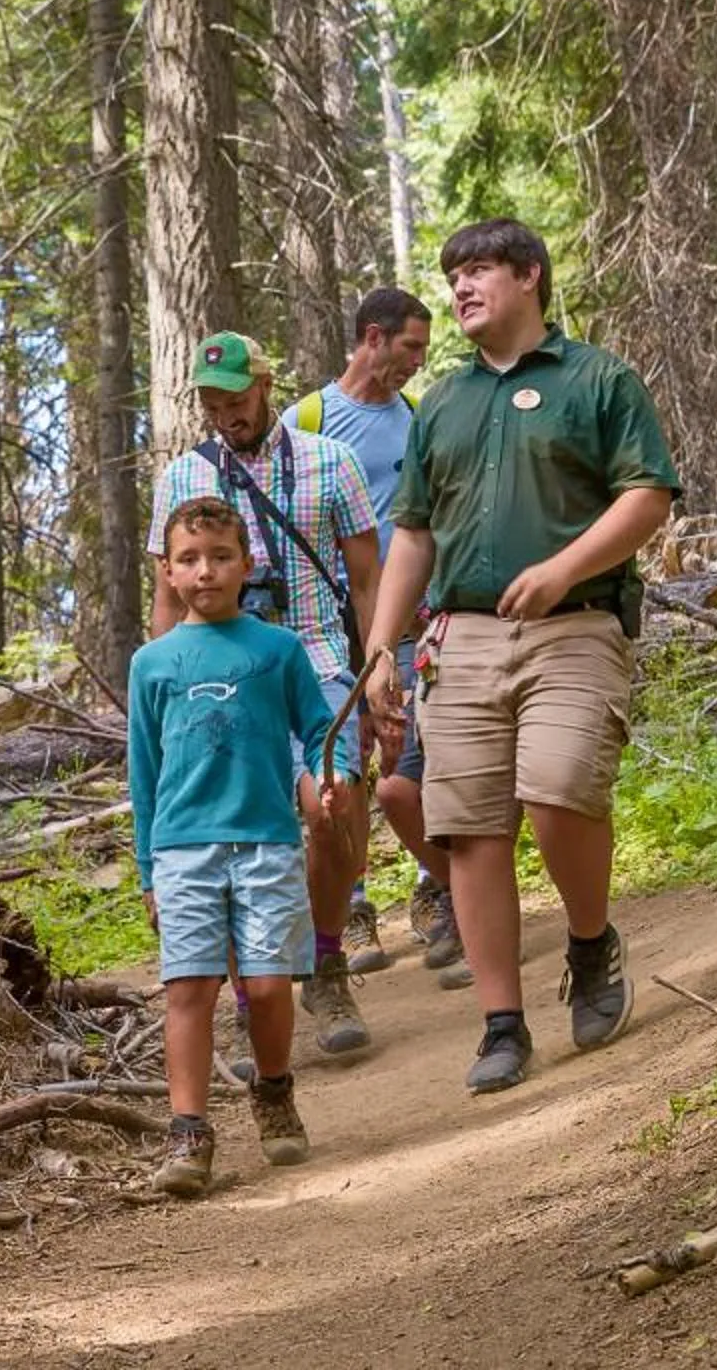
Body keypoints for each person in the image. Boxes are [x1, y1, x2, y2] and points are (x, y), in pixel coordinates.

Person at [359, 220, 679, 1094]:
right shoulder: (446, 406)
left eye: (480, 271)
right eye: (453, 276)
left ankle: (588, 940)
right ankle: (502, 1022)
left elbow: (648, 495)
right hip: (460, 640)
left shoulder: (597, 380)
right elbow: (414, 533)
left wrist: (562, 569)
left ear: (530, 276)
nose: (462, 288)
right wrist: (381, 646)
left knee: (558, 786)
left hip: (577, 623)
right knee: (467, 826)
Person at [150, 332, 384, 1056]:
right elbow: (165, 597)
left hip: (316, 665)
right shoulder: (183, 479)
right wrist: (162, 688)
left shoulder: (329, 462)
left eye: (237, 398)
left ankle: (324, 959)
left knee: (331, 805)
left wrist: (378, 667)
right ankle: (258, 999)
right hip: (222, 682)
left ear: (265, 383)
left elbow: (368, 579)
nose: (227, 415)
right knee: (225, 836)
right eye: (212, 403)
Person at [128, 496, 346, 1196]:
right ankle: (189, 1132)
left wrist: (327, 776)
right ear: (167, 571)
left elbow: (316, 728)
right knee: (189, 988)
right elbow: (144, 771)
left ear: (248, 565)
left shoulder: (277, 651)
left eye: (221, 557)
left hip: (267, 843)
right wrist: (147, 872)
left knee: (268, 985)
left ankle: (274, 1088)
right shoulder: (153, 664)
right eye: (189, 559)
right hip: (183, 849)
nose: (206, 571)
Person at [292, 287, 465, 984]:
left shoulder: (420, 418)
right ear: (372, 337)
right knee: (345, 768)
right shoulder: (307, 420)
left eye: (423, 350)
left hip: (410, 623)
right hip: (331, 628)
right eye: (410, 348)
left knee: (413, 760)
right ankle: (353, 906)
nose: (418, 363)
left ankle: (440, 890)